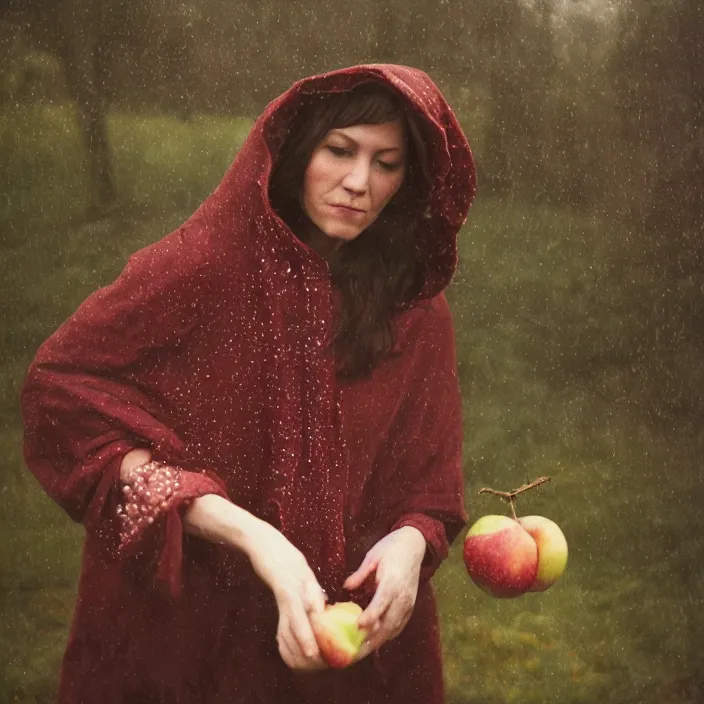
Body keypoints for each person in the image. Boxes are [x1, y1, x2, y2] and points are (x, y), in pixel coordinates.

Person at [21, 64, 477, 703]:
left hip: (350, 643)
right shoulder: (203, 268)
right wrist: (250, 533)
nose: (358, 183)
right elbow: (59, 391)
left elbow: (429, 483)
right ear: (295, 153)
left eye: (387, 164)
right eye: (339, 150)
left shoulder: (413, 303)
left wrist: (408, 544)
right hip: (193, 631)